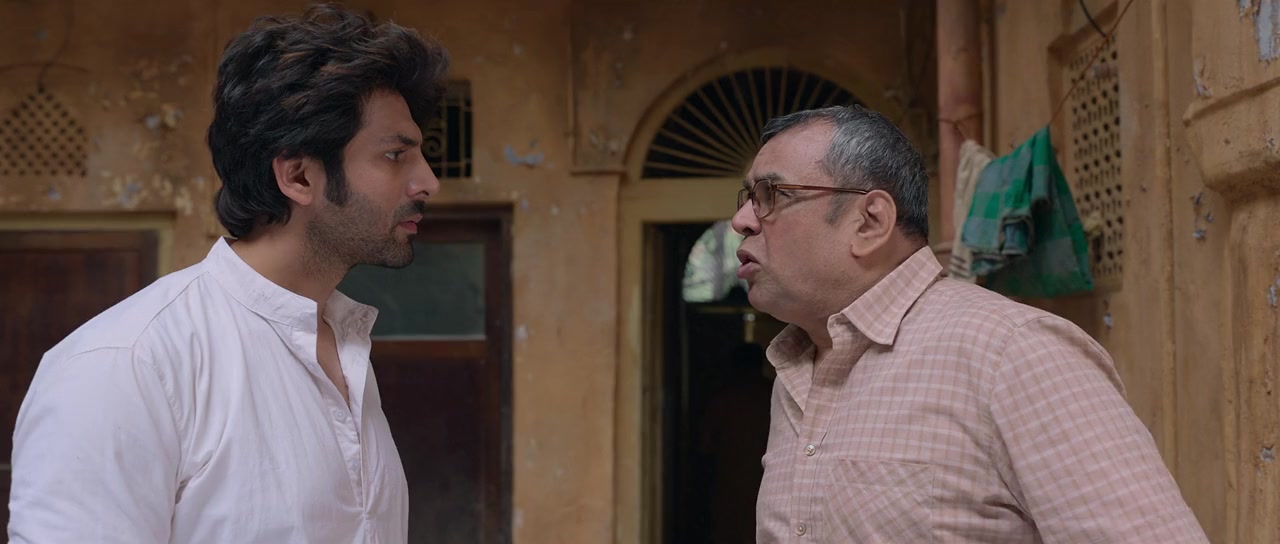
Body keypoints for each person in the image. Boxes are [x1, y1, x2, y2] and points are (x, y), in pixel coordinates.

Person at [8, 5, 448, 543]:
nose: (428, 182)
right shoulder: (128, 364)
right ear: (298, 177)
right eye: (396, 155)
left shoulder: (345, 346)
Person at [733, 105, 1209, 542]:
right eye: (748, 197)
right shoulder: (797, 371)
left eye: (770, 195)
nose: (741, 220)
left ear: (870, 222)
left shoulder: (1014, 353)